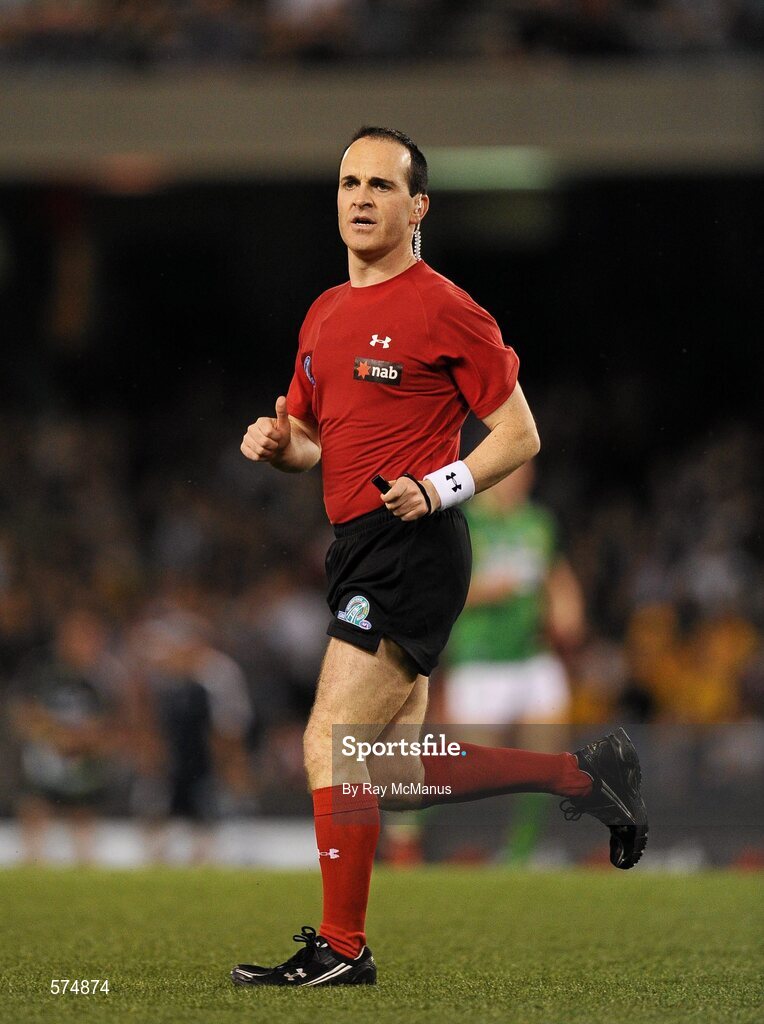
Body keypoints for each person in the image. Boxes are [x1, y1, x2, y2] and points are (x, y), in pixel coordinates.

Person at [232, 126, 647, 987]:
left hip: (414, 545)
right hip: (356, 545)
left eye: (381, 185)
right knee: (400, 776)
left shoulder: (445, 306)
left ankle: (343, 949)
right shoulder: (324, 312)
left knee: (331, 745)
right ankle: (583, 778)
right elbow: (314, 436)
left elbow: (521, 434)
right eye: (349, 181)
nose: (359, 198)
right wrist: (283, 446)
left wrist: (440, 485)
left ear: (418, 208)